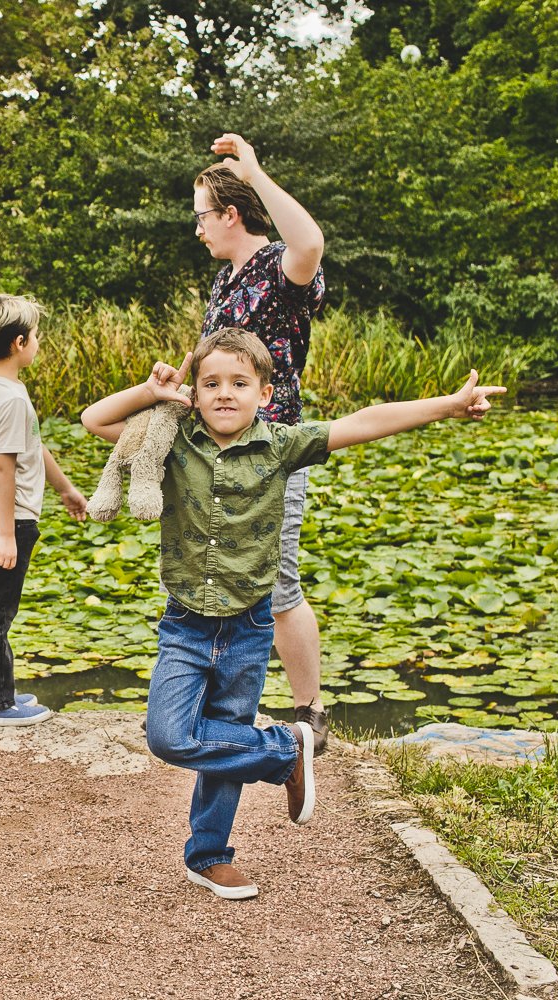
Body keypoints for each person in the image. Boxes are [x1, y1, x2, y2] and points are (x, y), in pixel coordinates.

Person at [82, 328, 503, 899]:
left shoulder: (281, 446)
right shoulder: (173, 438)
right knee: (168, 736)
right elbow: (94, 419)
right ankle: (285, 751)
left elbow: (366, 421)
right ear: (195, 394)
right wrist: (152, 393)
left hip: (250, 627)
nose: (224, 394)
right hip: (185, 624)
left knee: (226, 738)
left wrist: (448, 406)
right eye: (210, 384)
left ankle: (208, 855)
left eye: (239, 383)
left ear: (265, 392)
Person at [194, 132, 332, 752]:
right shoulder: (223, 284)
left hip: (274, 449)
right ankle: (225, 702)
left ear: (230, 214)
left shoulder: (279, 268)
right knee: (219, 576)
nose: (197, 229)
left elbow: (311, 243)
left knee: (279, 584)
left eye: (202, 216)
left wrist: (254, 175)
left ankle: (311, 714)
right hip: (218, 452)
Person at [0, 294, 88, 726]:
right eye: (36, 336)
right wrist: (5, 533)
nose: (39, 342)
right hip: (8, 517)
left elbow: (31, 446)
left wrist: (66, 489)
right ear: (19, 342)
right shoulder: (12, 398)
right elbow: (4, 467)